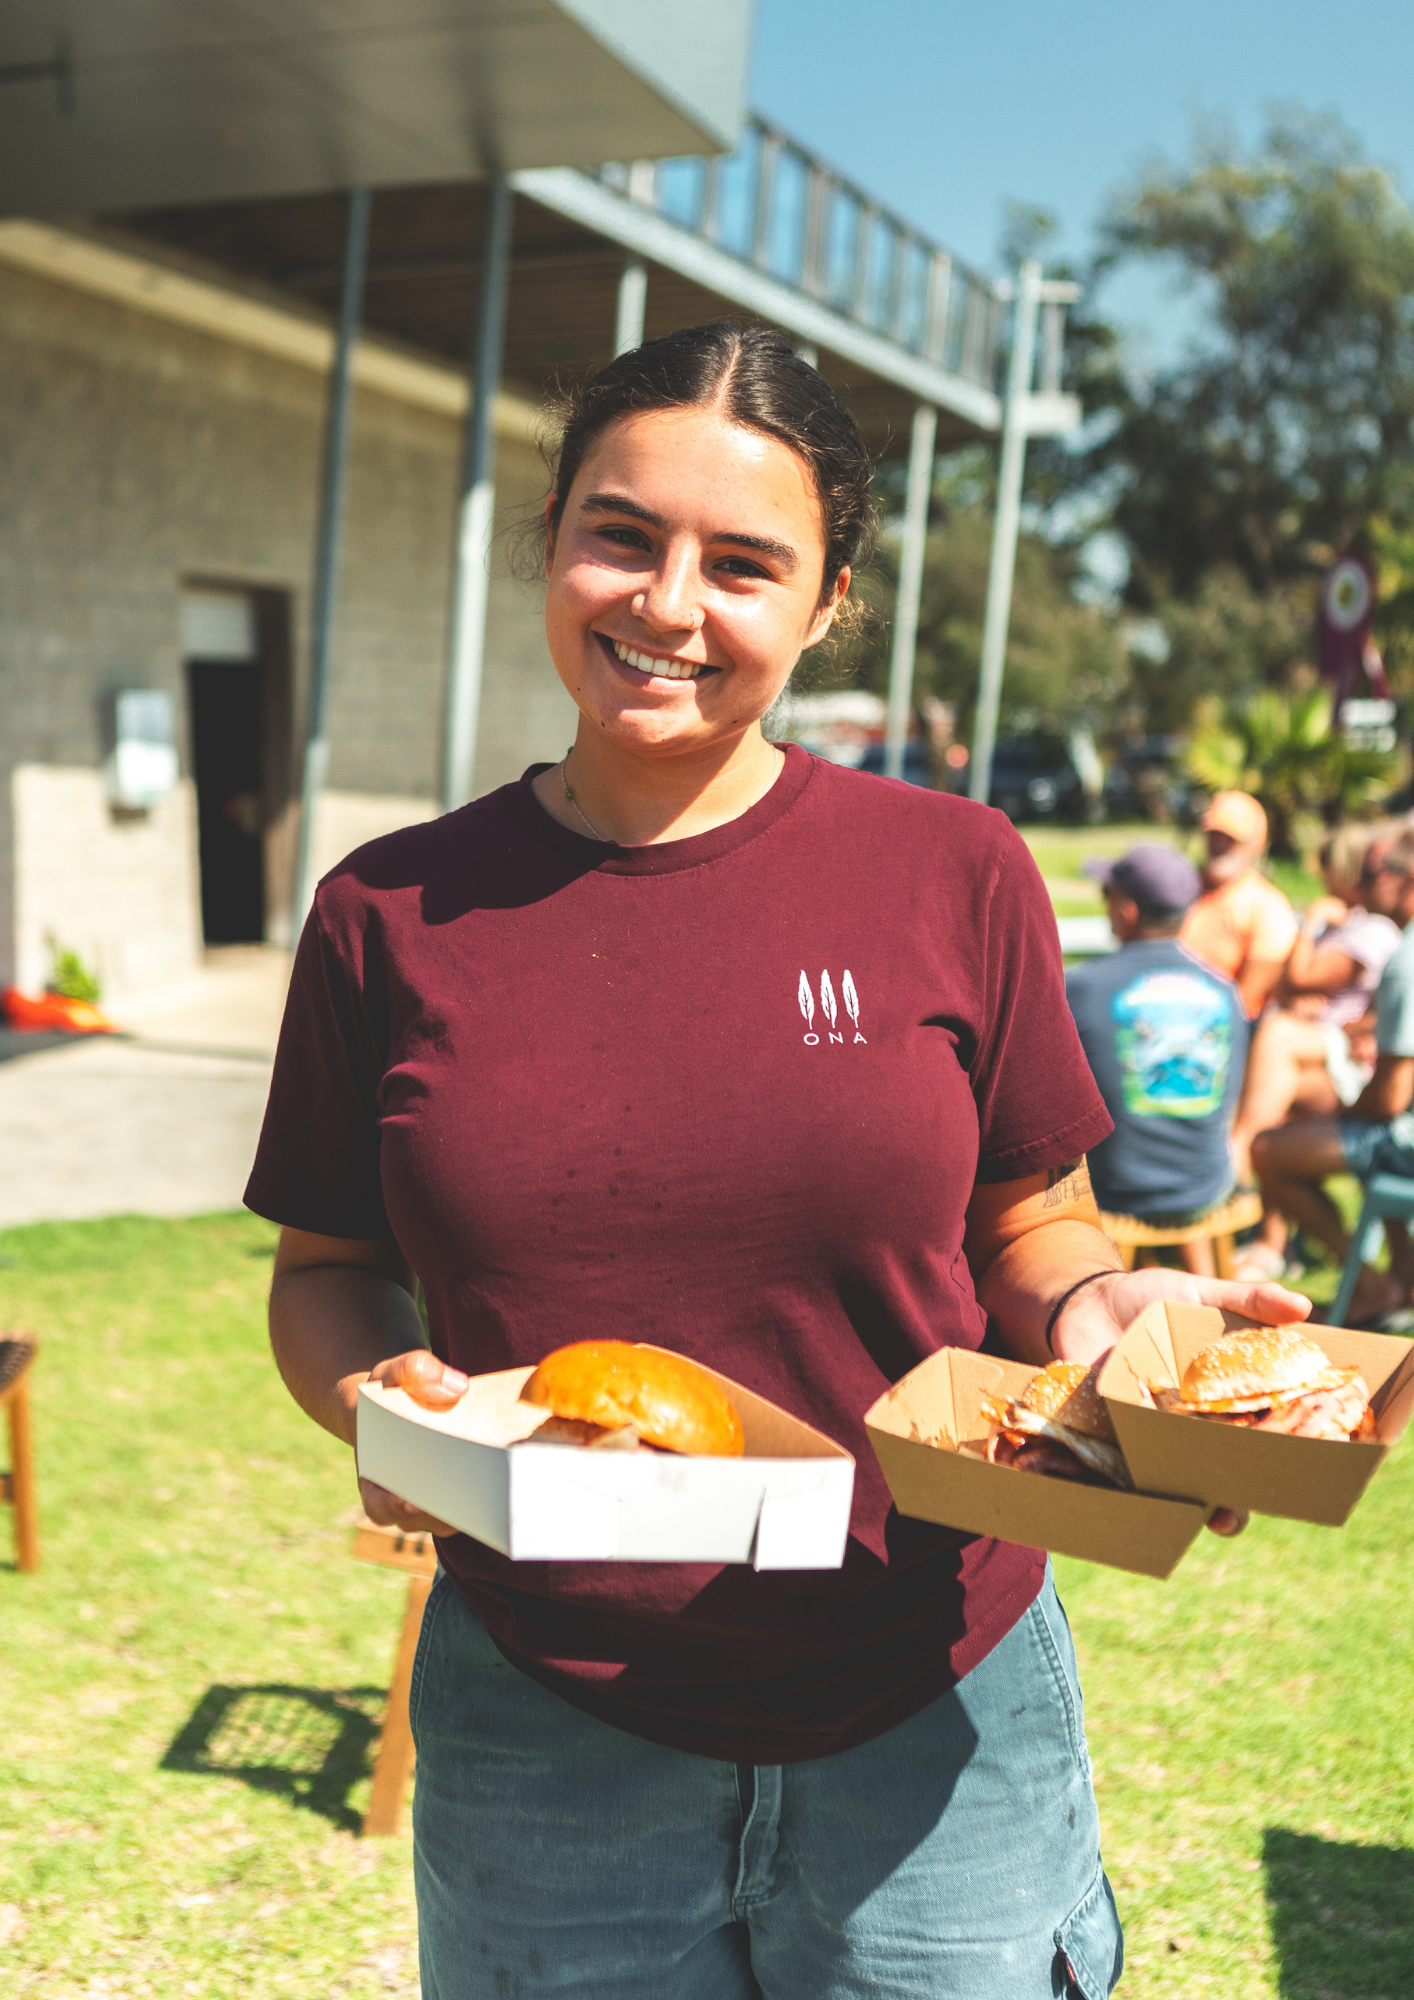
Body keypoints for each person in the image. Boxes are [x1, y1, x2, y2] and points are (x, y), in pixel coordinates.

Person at [247, 323, 1311, 1999]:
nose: (667, 606)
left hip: (928, 1694)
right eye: (621, 535)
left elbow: (1036, 1226)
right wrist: (386, 1403)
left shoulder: (948, 870)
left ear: (823, 608)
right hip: (545, 1714)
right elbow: (322, 1275)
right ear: (550, 543)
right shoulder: (388, 911)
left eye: (742, 564)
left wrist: (1109, 1319)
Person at [1253, 824, 1414, 1324]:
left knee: (1268, 1151)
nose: (1364, 888)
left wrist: (1351, 1105)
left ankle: (1368, 1286)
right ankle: (1403, 1281)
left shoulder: (1406, 959)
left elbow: (1389, 1100)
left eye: (1372, 874)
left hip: (1406, 1138)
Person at [1067, 845, 1247, 1276]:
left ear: (1127, 910)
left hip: (1117, 1193)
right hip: (1207, 1187)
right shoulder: (1225, 990)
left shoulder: (1082, 987)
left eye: (1105, 895)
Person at [1180, 791, 1299, 1018]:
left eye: (1231, 839)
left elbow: (1248, 999)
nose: (1219, 845)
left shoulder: (1267, 907)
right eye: (1214, 835)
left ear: (1258, 845)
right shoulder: (1182, 892)